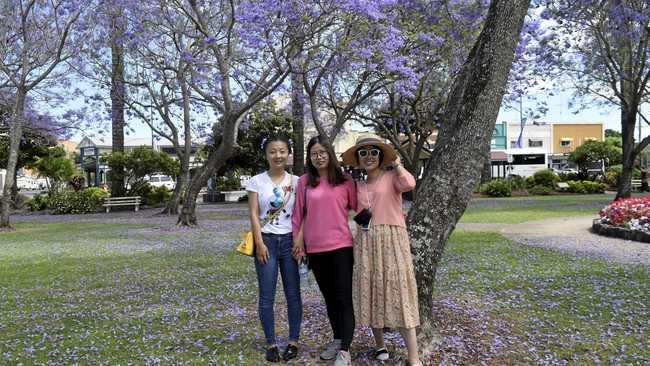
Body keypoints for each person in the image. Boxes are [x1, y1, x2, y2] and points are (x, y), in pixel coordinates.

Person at [341, 135, 423, 366]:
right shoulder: (357, 185)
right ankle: (380, 344)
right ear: (358, 158)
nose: (368, 157)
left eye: (374, 152)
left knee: (399, 291)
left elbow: (409, 184)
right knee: (371, 289)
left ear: (381, 156)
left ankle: (414, 356)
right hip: (366, 242)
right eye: (363, 153)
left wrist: (396, 164)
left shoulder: (391, 178)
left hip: (393, 240)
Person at [292, 135, 357, 366]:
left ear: (330, 154)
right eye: (314, 154)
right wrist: (298, 243)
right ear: (309, 157)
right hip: (315, 250)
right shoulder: (304, 182)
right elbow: (298, 215)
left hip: (341, 247)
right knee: (329, 298)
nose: (319, 157)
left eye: (322, 152)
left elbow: (360, 209)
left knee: (343, 298)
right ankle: (338, 339)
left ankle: (345, 350)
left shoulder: (345, 180)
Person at [246, 133, 301, 362]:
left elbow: (302, 214)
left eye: (282, 151)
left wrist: (300, 240)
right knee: (266, 296)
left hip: (290, 242)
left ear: (288, 153)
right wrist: (259, 243)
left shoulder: (297, 182)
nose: (277, 155)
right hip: (266, 242)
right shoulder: (256, 181)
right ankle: (271, 343)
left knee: (293, 295)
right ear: (266, 155)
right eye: (272, 151)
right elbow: (253, 215)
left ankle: (293, 341)